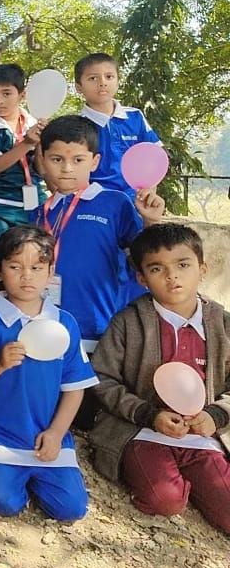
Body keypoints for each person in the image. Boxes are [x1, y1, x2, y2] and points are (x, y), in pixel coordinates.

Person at [91, 223, 230, 534]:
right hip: (141, 433)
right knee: (164, 500)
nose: (172, 276)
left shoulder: (222, 324)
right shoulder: (128, 322)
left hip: (203, 436)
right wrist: (148, 414)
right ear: (142, 278)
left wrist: (216, 414)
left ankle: (201, 482)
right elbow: (102, 377)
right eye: (157, 268)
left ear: (202, 268)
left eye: (183, 265)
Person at [0, 226, 96, 521]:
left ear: (51, 272)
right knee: (0, 502)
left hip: (47, 434)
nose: (27, 276)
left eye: (37, 267)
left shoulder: (65, 323)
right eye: (15, 266)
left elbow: (74, 386)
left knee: (71, 509)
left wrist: (56, 432)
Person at [35, 116, 165, 356]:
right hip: (47, 328)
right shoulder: (39, 212)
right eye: (56, 159)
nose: (67, 168)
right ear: (42, 160)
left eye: (78, 160)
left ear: (95, 162)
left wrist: (150, 221)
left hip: (101, 331)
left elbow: (144, 257)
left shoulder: (114, 203)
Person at [0, 64, 46, 283]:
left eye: (7, 93)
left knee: (38, 255)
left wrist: (41, 142)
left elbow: (43, 170)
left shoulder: (35, 123)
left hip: (33, 203)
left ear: (22, 95)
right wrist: (27, 143)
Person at [74, 52, 161, 196]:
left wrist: (150, 189)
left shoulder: (135, 117)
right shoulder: (77, 125)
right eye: (93, 78)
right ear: (79, 87)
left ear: (118, 81)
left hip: (134, 200)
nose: (102, 83)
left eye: (109, 77)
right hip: (94, 202)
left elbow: (155, 155)